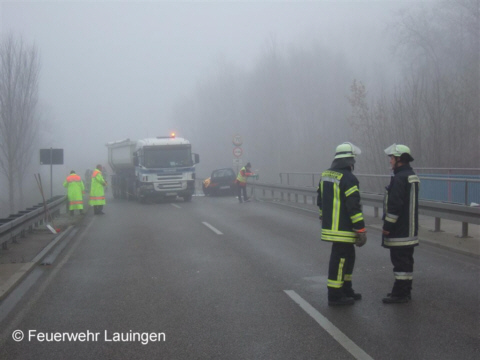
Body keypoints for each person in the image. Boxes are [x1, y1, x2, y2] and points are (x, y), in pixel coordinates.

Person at [317, 142, 367, 306]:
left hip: (331, 226)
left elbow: (319, 199)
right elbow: (353, 206)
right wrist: (360, 228)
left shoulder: (325, 175)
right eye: (353, 159)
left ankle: (346, 289)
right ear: (349, 160)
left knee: (348, 257)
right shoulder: (349, 178)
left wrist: (323, 217)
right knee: (340, 260)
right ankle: (335, 295)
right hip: (343, 228)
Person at [382, 144, 420, 304]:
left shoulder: (399, 178)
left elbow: (395, 206)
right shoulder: (411, 176)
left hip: (400, 230)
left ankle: (401, 294)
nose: (390, 161)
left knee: (400, 262)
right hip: (409, 229)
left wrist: (387, 227)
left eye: (392, 158)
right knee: (405, 261)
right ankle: (401, 290)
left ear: (399, 159)